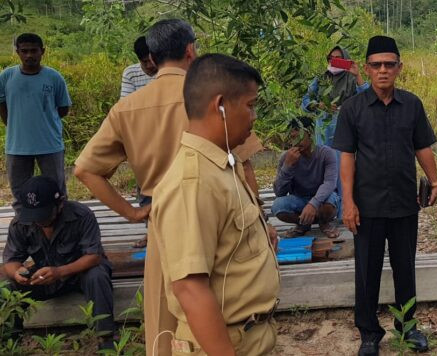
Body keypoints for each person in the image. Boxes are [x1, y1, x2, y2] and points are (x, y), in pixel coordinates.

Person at [73, 19, 266, 356]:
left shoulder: (127, 108)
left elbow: (84, 169)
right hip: (221, 228)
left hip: (162, 229)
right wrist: (258, 217)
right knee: (224, 314)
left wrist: (133, 213)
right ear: (191, 50)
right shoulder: (210, 98)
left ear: (152, 56)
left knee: (166, 329)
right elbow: (244, 165)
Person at [151, 53, 280, 355]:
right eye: (250, 105)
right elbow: (190, 289)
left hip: (249, 335)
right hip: (225, 343)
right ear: (220, 105)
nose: (254, 116)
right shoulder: (193, 183)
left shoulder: (222, 165)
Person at [332, 35, 437, 356]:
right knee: (367, 272)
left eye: (389, 65)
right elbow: (346, 157)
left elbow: (422, 146)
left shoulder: (412, 105)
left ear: (399, 68)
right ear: (366, 68)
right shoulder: (352, 109)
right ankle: (369, 333)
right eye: (376, 65)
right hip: (367, 206)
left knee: (405, 268)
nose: (383, 70)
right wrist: (348, 202)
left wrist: (435, 180)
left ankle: (407, 327)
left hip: (405, 203)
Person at [2, 176, 115, 350]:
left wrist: (60, 272)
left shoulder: (82, 215)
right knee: (6, 286)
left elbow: (94, 256)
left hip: (79, 273)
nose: (39, 221)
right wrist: (18, 272)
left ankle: (106, 342)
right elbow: (10, 261)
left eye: (44, 215)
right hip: (44, 276)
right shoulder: (20, 223)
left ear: (60, 203)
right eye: (34, 216)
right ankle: (10, 344)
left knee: (97, 275)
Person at [0, 33, 71, 201]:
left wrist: (45, 121)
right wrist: (14, 124)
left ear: (42, 51)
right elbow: (2, 105)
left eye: (34, 50)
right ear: (17, 52)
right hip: (17, 146)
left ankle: (60, 217)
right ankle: (24, 218)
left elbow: (63, 108)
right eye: (24, 51)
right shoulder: (7, 77)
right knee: (20, 193)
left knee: (57, 191)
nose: (29, 55)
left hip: (50, 145)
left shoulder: (54, 77)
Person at [272, 116, 341, 238]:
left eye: (299, 137)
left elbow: (330, 183)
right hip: (300, 200)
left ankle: (324, 223)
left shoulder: (326, 153)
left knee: (330, 202)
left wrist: (313, 204)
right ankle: (303, 224)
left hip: (323, 199)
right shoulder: (287, 157)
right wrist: (287, 166)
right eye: (292, 138)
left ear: (310, 135)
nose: (295, 142)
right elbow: (279, 192)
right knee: (278, 206)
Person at [302, 45, 369, 147]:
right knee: (325, 155)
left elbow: (368, 99)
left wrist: (357, 75)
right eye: (331, 58)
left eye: (338, 58)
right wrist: (318, 105)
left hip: (345, 128)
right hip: (323, 130)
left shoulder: (352, 79)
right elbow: (305, 100)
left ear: (345, 60)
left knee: (342, 155)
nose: (334, 61)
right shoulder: (321, 78)